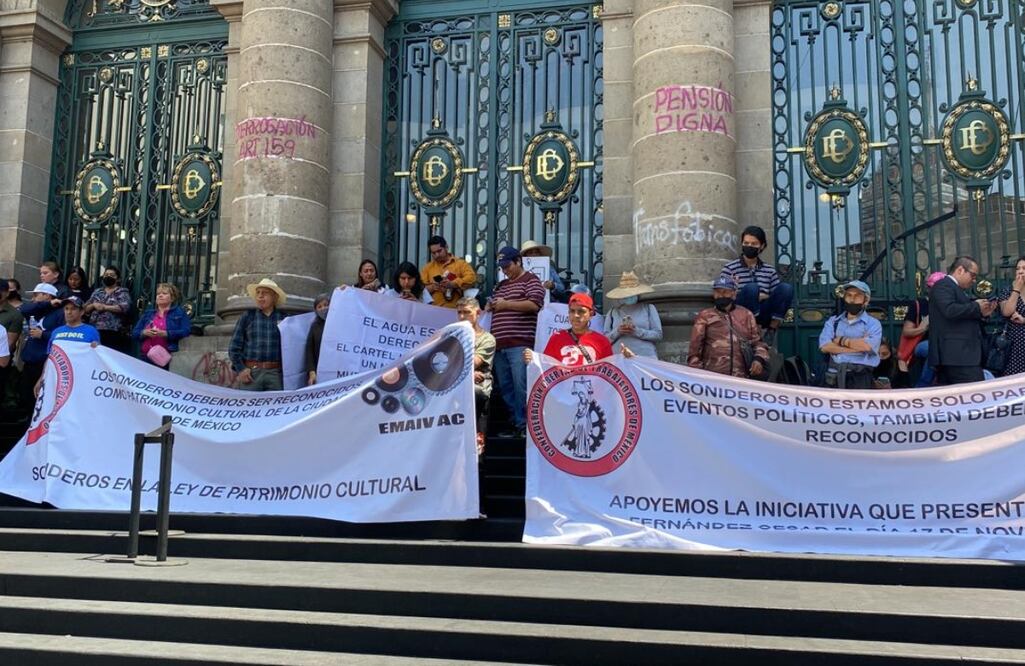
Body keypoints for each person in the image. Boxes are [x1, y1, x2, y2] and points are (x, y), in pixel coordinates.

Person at [488, 246, 546, 438]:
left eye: (507, 266)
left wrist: (506, 304)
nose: (505, 270)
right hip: (500, 345)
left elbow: (534, 304)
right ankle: (516, 423)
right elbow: (496, 306)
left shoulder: (531, 280)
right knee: (506, 387)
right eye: (502, 267)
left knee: (520, 385)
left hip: (519, 343)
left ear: (518, 261)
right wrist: (491, 306)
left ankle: (525, 426)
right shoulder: (501, 286)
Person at [718, 225, 793, 343]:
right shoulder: (730, 268)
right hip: (740, 311)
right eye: (746, 243)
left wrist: (762, 296)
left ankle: (771, 331)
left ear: (762, 246)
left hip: (764, 312)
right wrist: (753, 294)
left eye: (754, 244)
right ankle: (754, 330)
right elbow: (722, 295)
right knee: (752, 288)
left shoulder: (769, 270)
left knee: (786, 288)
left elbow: (777, 297)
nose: (749, 246)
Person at [929, 256, 996, 385]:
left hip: (962, 356)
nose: (974, 280)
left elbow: (962, 317)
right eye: (973, 275)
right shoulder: (943, 285)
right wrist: (976, 306)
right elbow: (949, 310)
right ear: (960, 270)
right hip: (957, 356)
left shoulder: (955, 288)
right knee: (974, 395)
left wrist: (983, 313)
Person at [688, 277, 769, 378]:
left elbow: (758, 343)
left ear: (734, 294)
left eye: (725, 292)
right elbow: (695, 348)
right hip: (713, 378)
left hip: (742, 378)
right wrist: (698, 375)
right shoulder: (705, 316)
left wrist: (758, 360)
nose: (721, 295)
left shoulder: (746, 315)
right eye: (717, 292)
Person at [818, 280, 882, 389]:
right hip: (834, 377)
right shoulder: (833, 322)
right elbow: (825, 347)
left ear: (865, 300)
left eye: (857, 296)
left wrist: (842, 341)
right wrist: (856, 347)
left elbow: (868, 346)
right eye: (849, 295)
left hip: (860, 378)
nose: (852, 299)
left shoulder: (873, 324)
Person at [33, 296, 99, 397]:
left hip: (81, 378)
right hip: (58, 378)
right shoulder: (56, 332)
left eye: (73, 309)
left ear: (81, 312)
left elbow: (98, 357)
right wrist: (42, 377)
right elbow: (50, 357)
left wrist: (96, 348)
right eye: (66, 309)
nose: (69, 312)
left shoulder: (91, 331)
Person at [229, 278, 287, 391]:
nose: (260, 296)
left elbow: (291, 349)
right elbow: (234, 348)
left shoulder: (284, 319)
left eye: (265, 293)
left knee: (276, 407)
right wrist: (241, 369)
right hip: (251, 374)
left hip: (276, 374)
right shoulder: (247, 316)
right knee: (248, 407)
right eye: (258, 293)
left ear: (274, 297)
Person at [527, 292, 613, 366]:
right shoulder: (557, 338)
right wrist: (533, 359)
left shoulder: (602, 342)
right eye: (572, 311)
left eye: (581, 311)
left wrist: (625, 359)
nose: (576, 315)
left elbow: (610, 374)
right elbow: (545, 367)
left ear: (590, 314)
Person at [456, 297, 495, 455]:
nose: (462, 317)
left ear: (477, 313)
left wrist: (466, 372)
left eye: (467, 312)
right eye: (459, 313)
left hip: (478, 391)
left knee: (477, 446)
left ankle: (479, 463)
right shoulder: (452, 336)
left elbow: (473, 362)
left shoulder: (487, 339)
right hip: (456, 388)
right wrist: (469, 374)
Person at [18, 284, 64, 413]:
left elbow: (61, 335)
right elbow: (24, 309)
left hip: (44, 362)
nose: (33, 298)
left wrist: (42, 335)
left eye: (36, 295)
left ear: (47, 295)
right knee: (26, 397)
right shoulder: (37, 310)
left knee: (39, 399)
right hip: (29, 362)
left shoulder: (60, 313)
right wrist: (48, 304)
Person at [132, 283, 192, 369]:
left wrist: (167, 334)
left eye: (164, 293)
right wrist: (144, 332)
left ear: (172, 298)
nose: (160, 296)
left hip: (167, 357)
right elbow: (135, 333)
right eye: (158, 294)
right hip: (146, 357)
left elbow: (186, 331)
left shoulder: (179, 313)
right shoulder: (148, 314)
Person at [899, 271, 943, 385]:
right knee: (934, 348)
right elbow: (907, 332)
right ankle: (923, 386)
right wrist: (924, 327)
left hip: (946, 343)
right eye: (931, 288)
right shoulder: (919, 305)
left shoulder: (949, 305)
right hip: (923, 344)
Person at [604, 271, 662, 359]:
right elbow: (604, 340)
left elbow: (658, 335)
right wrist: (618, 331)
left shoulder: (648, 308)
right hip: (619, 358)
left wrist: (637, 331)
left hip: (645, 357)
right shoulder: (613, 312)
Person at [84, 265, 131, 353]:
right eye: (106, 275)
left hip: (113, 331)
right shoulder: (97, 292)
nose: (108, 277)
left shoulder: (122, 292)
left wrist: (105, 307)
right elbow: (85, 308)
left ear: (118, 279)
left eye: (112, 275)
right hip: (95, 329)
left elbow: (124, 307)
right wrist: (94, 305)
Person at [420, 235, 477, 308]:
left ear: (446, 247)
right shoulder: (427, 268)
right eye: (433, 253)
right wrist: (433, 287)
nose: (437, 255)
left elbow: (472, 278)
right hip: (433, 311)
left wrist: (453, 284)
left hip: (456, 311)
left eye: (439, 251)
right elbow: (420, 289)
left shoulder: (460, 264)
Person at [999, 256, 1025, 376]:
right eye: (1018, 268)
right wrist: (1016, 290)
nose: (1020, 271)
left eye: (1024, 268)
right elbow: (1007, 312)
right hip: (1016, 345)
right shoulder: (1007, 290)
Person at [304, 293, 331, 385]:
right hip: (320, 372)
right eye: (319, 307)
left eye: (326, 305)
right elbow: (309, 350)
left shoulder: (339, 323)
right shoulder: (315, 326)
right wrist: (312, 372)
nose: (323, 308)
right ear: (315, 310)